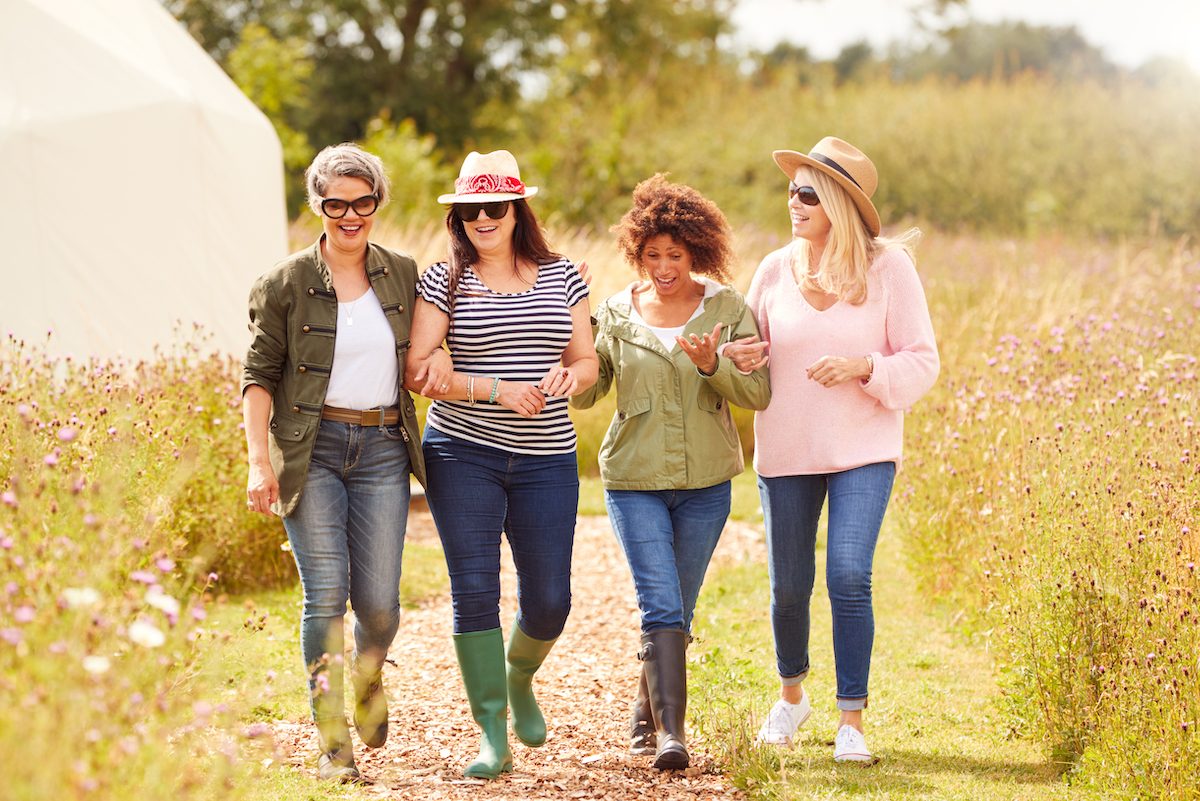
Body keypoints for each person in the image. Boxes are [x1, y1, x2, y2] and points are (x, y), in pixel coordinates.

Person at [728, 137, 938, 762]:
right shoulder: (770, 270)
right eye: (792, 189)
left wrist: (864, 366)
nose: (794, 201)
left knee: (848, 574)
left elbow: (922, 362)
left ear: (840, 203)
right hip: (787, 450)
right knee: (789, 585)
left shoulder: (888, 269)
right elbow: (752, 362)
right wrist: (739, 358)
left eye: (809, 192)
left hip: (864, 451)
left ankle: (853, 722)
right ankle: (792, 698)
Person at [404, 149, 598, 780]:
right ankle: (492, 733)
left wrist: (571, 376)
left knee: (550, 601)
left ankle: (519, 679)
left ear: (518, 209)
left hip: (547, 457)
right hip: (462, 454)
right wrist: (492, 389)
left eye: (495, 206)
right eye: (471, 208)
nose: (483, 217)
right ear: (459, 215)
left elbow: (588, 362)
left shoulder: (564, 275)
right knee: (475, 591)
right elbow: (419, 370)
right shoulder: (442, 281)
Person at [241, 143, 428, 783]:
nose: (350, 215)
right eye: (336, 203)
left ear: (377, 202)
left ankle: (370, 679)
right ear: (318, 205)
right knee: (326, 596)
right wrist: (257, 462)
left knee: (378, 605)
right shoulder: (285, 282)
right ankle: (331, 741)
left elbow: (434, 350)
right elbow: (259, 376)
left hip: (382, 449)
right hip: (311, 450)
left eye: (363, 202)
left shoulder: (405, 273)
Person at [571, 174, 771, 770]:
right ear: (638, 253)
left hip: (708, 484)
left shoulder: (728, 309)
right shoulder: (612, 312)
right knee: (660, 604)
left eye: (675, 255)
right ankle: (671, 736)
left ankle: (645, 712)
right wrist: (571, 333)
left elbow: (757, 393)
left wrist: (713, 366)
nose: (664, 266)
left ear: (696, 252)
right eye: (652, 255)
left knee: (678, 607)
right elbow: (587, 395)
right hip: (634, 481)